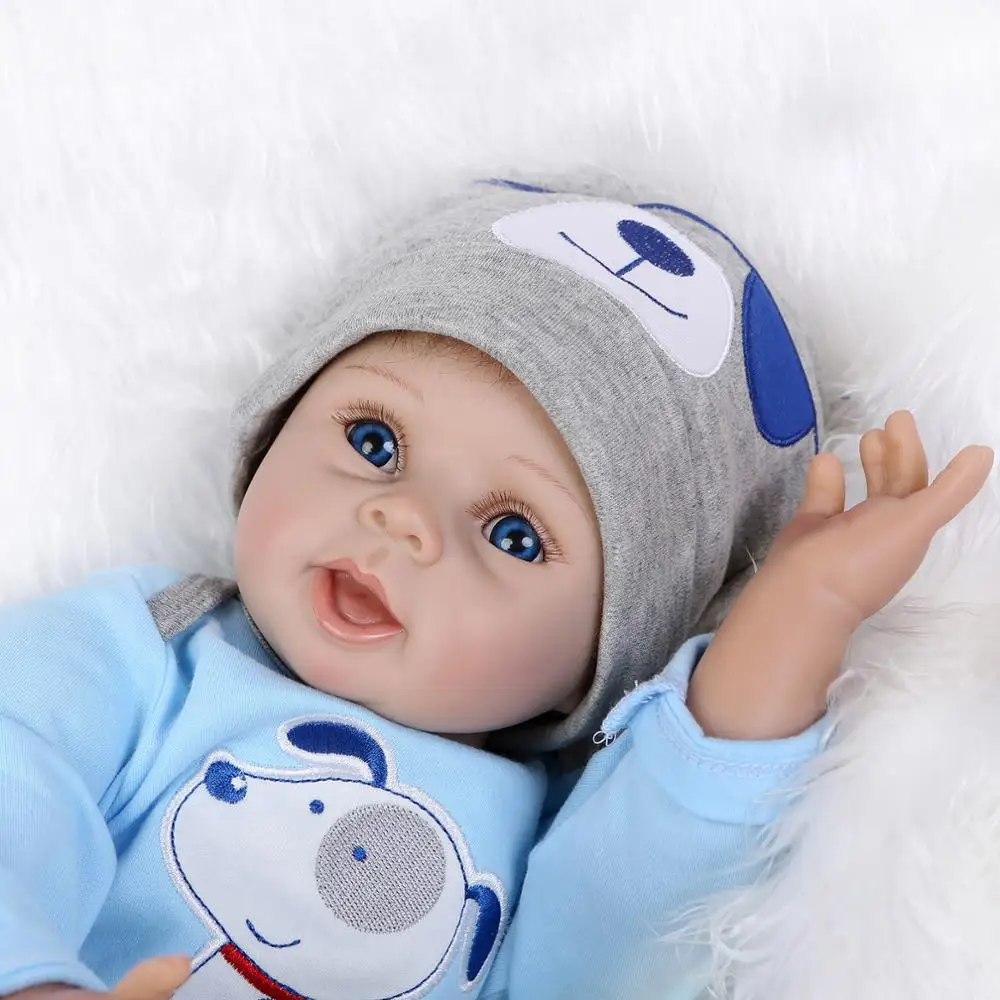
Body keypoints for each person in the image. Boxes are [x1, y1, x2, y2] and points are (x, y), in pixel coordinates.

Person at [1, 178, 991, 1000]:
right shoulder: (150, 645)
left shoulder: (547, 846)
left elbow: (640, 912)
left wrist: (803, 611)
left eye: (513, 534)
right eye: (373, 441)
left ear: (596, 663)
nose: (403, 519)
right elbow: (18, 762)